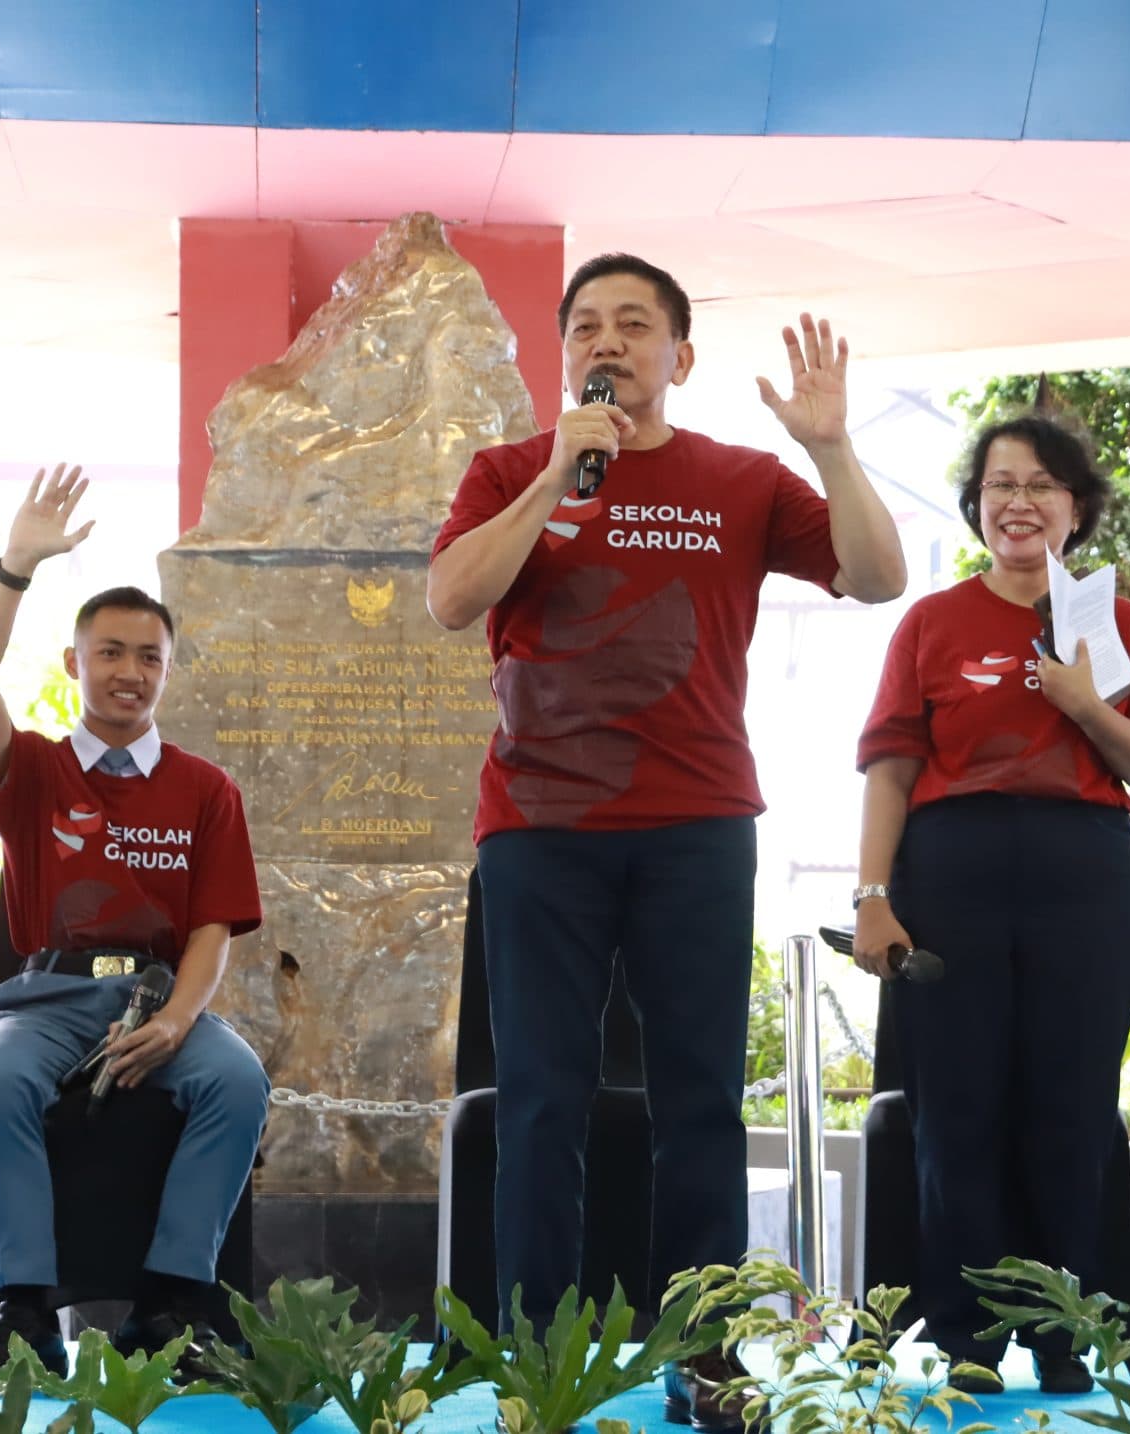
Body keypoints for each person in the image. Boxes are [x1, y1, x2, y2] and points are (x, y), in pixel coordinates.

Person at [427, 254, 907, 1428]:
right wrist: (553, 476)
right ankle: (537, 1369)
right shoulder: (507, 469)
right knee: (541, 1100)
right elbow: (450, 599)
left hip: (696, 827)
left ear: (677, 358)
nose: (610, 340)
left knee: (699, 1101)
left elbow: (879, 577)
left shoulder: (741, 481)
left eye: (634, 325)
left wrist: (831, 448)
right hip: (539, 830)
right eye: (587, 325)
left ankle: (709, 1361)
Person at [850, 415, 1130, 1395]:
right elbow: (889, 771)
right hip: (948, 871)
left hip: (1079, 873)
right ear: (976, 507)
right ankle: (965, 1339)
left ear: (1075, 509)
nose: (1018, 502)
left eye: (1041, 485)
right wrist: (873, 897)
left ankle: (1059, 1330)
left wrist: (1083, 704)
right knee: (954, 1111)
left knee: (1068, 1110)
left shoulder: (1114, 624)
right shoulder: (931, 622)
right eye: (999, 484)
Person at [0, 466, 269, 1376]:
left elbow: (212, 929)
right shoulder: (39, 770)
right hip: (49, 999)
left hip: (158, 999)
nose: (130, 672)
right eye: (110, 653)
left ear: (169, 670)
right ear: (75, 663)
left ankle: (172, 1302)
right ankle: (23, 1308)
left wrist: (178, 1021)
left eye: (149, 657)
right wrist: (15, 568)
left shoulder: (206, 789)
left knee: (237, 1083)